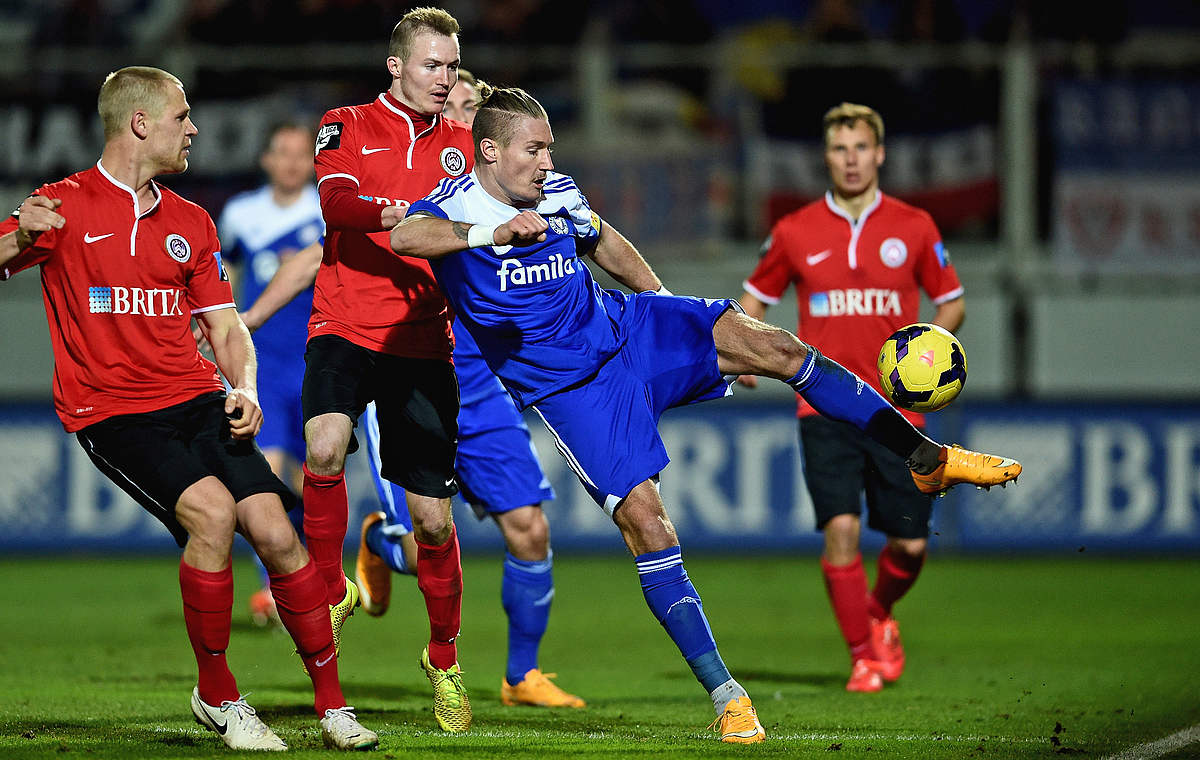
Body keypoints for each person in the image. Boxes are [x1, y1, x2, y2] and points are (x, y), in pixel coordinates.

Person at [389, 84, 1023, 744]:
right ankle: (728, 695)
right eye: (535, 149)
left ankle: (926, 457)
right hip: (573, 391)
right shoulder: (456, 206)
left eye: (551, 147)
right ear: (489, 150)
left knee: (777, 346)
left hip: (629, 329)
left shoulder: (558, 191)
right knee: (649, 523)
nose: (548, 161)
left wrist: (664, 301)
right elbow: (408, 233)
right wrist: (488, 233)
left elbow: (602, 239)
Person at [0, 66, 377, 752]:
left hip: (199, 398)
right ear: (141, 123)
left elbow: (226, 326)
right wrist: (19, 238)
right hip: (112, 412)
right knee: (211, 513)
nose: (194, 128)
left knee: (274, 527)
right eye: (182, 116)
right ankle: (221, 697)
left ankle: (332, 706)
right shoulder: (61, 205)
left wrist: (244, 388)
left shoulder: (190, 221)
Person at [355, 68, 585, 710]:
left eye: (471, 113)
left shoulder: (509, 194)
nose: (460, 122)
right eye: (454, 108)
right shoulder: (406, 185)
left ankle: (521, 674)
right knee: (427, 539)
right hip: (407, 369)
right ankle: (379, 541)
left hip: (479, 382)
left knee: (529, 528)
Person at [738, 102, 967, 692]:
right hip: (823, 405)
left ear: (880, 153)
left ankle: (879, 611)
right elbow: (754, 302)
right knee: (840, 529)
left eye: (860, 148)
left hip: (900, 412)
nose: (851, 160)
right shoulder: (794, 231)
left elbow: (952, 300)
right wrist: (748, 356)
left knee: (910, 545)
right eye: (840, 149)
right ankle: (863, 654)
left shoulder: (915, 226)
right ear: (827, 156)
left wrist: (939, 346)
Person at [303, 7, 475, 732]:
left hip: (420, 339)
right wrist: (401, 212)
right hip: (343, 321)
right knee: (322, 447)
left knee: (433, 524)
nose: (446, 78)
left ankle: (443, 657)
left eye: (453, 66)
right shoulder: (345, 122)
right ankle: (321, 590)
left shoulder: (469, 145)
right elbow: (336, 203)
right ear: (397, 65)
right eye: (433, 65)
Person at [215, 121, 324, 627]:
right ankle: (274, 591)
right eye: (282, 153)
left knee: (314, 480)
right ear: (266, 159)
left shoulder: (326, 210)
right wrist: (224, 339)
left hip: (321, 361)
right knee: (270, 474)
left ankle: (305, 571)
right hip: (266, 363)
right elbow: (227, 278)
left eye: (301, 154)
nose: (292, 163)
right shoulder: (240, 214)